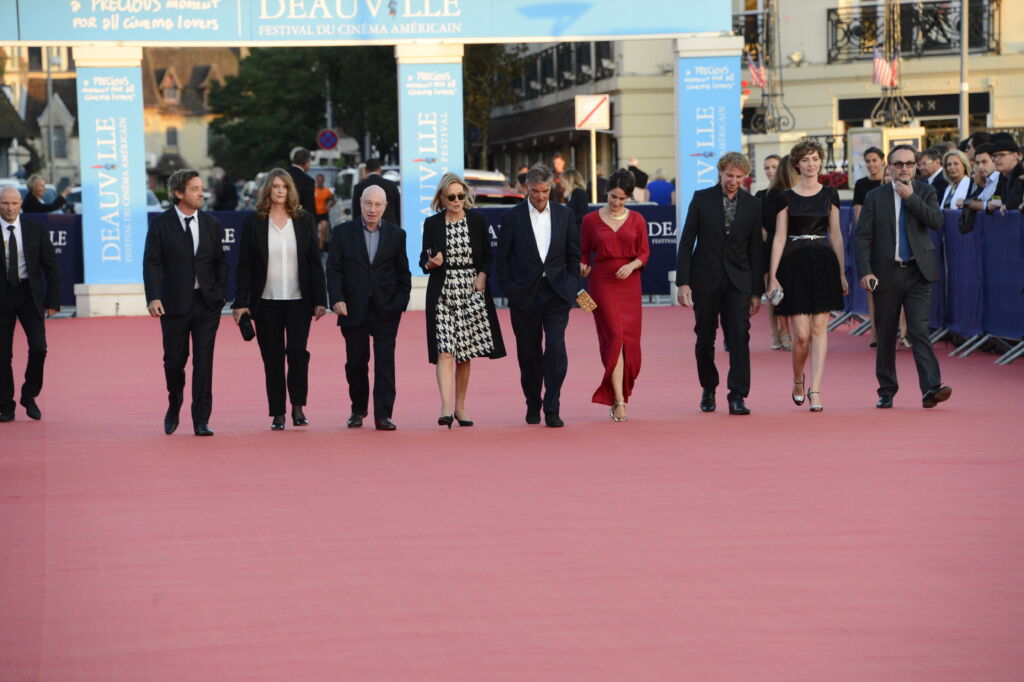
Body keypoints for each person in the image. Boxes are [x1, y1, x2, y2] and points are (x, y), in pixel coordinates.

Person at [855, 144, 951, 410]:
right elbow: (862, 236)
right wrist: (865, 271)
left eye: (910, 163)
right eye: (899, 164)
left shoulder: (926, 191)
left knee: (920, 331)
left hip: (918, 272)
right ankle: (886, 390)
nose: (905, 168)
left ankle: (931, 388)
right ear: (890, 166)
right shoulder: (876, 196)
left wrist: (911, 198)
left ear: (917, 165)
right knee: (886, 333)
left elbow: (936, 221)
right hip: (885, 274)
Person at [232, 169, 327, 431]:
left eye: (285, 186)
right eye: (275, 186)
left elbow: (314, 262)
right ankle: (278, 412)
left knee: (297, 353)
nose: (280, 191)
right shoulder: (255, 222)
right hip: (266, 303)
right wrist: (241, 302)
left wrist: (321, 299)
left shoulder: (304, 219)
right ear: (267, 190)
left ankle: (298, 406)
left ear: (291, 190)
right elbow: (245, 266)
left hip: (299, 301)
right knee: (272, 358)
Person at [676, 152, 763, 416]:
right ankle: (709, 387)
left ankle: (737, 394)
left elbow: (756, 250)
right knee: (704, 338)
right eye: (729, 176)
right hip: (705, 278)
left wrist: (756, 291)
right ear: (720, 173)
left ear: (745, 178)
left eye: (739, 177)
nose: (733, 181)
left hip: (739, 280)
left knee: (739, 335)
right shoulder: (702, 199)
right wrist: (683, 282)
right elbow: (687, 241)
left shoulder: (752, 205)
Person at [143, 169, 229, 436]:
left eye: (201, 188)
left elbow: (220, 263)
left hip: (206, 304)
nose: (201, 192)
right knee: (174, 362)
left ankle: (201, 419)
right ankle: (174, 401)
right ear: (179, 193)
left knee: (204, 363)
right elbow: (152, 262)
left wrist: (220, 295)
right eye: (195, 188)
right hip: (173, 304)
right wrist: (154, 297)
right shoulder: (160, 224)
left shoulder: (211, 223)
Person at [767, 139, 848, 413]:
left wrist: (841, 272)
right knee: (800, 335)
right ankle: (797, 379)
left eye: (815, 159)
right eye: (806, 160)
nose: (811, 164)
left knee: (819, 328)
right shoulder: (784, 197)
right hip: (794, 262)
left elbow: (836, 235)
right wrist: (773, 276)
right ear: (797, 164)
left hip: (823, 260)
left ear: (820, 162)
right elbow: (779, 238)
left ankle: (816, 389)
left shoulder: (830, 195)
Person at [496, 164, 580, 428]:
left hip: (557, 294)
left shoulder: (565, 215)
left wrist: (571, 285)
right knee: (528, 353)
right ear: (526, 188)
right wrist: (511, 288)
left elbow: (573, 255)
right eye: (535, 191)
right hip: (524, 294)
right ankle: (532, 402)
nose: (540, 196)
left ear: (551, 188)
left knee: (555, 349)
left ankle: (552, 406)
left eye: (544, 191)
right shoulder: (512, 217)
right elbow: (503, 259)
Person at [420, 173, 506, 428]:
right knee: (445, 351)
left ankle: (460, 406)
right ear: (442, 199)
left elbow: (489, 256)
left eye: (460, 196)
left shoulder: (477, 220)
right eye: (451, 197)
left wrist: (482, 275)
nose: (457, 200)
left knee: (464, 354)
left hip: (470, 290)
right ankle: (446, 407)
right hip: (443, 291)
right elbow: (422, 260)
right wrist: (430, 263)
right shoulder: (432, 223)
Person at [326, 185, 410, 431]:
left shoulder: (397, 235)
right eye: (368, 203)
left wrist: (399, 303)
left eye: (378, 205)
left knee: (385, 364)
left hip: (386, 309)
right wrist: (337, 298)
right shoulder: (342, 233)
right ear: (360, 203)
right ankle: (358, 408)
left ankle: (383, 415)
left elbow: (403, 273)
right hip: (352, 308)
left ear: (385, 207)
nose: (372, 209)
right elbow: (333, 269)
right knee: (355, 363)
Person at [580, 169, 650, 421]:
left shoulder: (638, 220)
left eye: (622, 198)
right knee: (615, 338)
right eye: (613, 197)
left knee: (630, 344)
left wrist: (631, 266)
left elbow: (644, 253)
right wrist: (583, 265)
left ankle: (619, 393)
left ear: (629, 197)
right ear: (605, 193)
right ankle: (619, 400)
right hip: (601, 283)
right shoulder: (589, 220)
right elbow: (584, 252)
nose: (617, 202)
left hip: (630, 283)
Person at [0, 186, 59, 422]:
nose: (10, 208)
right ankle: (5, 404)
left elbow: (51, 267)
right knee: (3, 355)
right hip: (2, 295)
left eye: (14, 203)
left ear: (21, 204)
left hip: (29, 295)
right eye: (5, 203)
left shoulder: (36, 230)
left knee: (39, 348)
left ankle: (29, 394)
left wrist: (53, 300)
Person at [759, 154, 796, 352]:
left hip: (791, 247)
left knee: (788, 292)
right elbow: (758, 224)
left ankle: (786, 331)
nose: (770, 171)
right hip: (770, 248)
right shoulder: (762, 195)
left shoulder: (793, 193)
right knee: (773, 292)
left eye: (774, 166)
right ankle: (779, 331)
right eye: (767, 167)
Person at [852, 146, 887, 348]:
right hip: (871, 240)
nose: (871, 164)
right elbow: (858, 213)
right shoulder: (861, 185)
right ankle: (874, 331)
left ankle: (902, 330)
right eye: (868, 161)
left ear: (882, 161)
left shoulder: (890, 182)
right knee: (872, 288)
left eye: (874, 160)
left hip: (890, 241)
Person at [353, 158, 401, 225]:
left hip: (367, 228)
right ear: (379, 170)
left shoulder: (358, 187)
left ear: (366, 170)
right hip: (390, 228)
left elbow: (356, 212)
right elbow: (398, 208)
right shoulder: (391, 185)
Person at [286, 147, 317, 217]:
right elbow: (309, 207)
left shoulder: (281, 175)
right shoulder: (308, 181)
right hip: (298, 218)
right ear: (306, 163)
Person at [313, 173, 334, 251]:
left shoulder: (327, 191)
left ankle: (320, 248)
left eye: (321, 180)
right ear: (316, 180)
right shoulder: (313, 190)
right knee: (314, 231)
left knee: (323, 229)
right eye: (318, 180)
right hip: (314, 213)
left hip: (323, 213)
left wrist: (329, 206)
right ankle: (314, 247)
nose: (319, 181)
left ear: (323, 181)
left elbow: (333, 200)